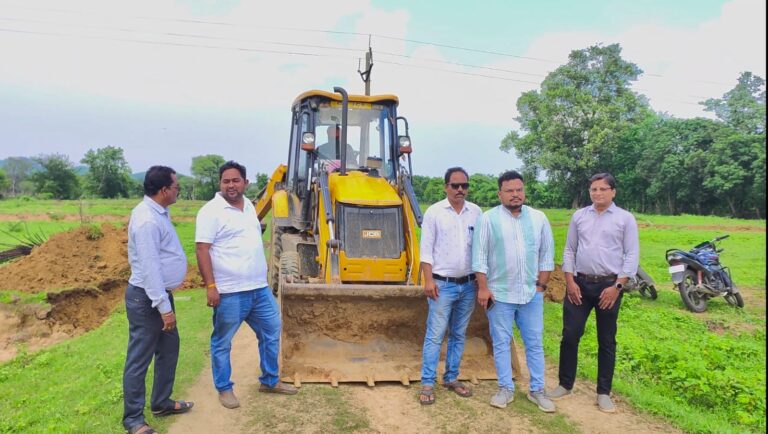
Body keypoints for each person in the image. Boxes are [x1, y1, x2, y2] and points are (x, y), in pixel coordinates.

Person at [195, 160, 298, 410]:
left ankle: (270, 380)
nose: (231, 185)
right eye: (226, 181)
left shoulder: (250, 208)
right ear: (220, 184)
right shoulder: (210, 211)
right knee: (222, 341)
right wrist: (211, 286)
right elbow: (202, 249)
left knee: (272, 330)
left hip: (258, 289)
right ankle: (224, 388)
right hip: (230, 292)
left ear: (245, 183)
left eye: (235, 180)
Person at [549, 172, 639, 413]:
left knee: (606, 340)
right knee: (570, 335)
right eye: (593, 190)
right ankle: (565, 384)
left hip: (609, 287)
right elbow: (569, 250)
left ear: (613, 192)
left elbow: (631, 255)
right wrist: (570, 281)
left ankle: (603, 393)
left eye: (602, 189)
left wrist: (617, 287)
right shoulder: (580, 216)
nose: (597, 193)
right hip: (579, 284)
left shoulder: (624, 219)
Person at [472, 170, 556, 412]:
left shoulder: (539, 218)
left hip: (531, 295)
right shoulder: (488, 219)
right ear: (500, 194)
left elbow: (547, 256)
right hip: (500, 295)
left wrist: (540, 287)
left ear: (524, 191)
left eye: (519, 190)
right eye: (509, 191)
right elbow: (479, 257)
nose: (515, 194)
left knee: (534, 343)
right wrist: (484, 288)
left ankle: (537, 390)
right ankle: (505, 388)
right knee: (501, 342)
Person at [123, 166, 193, 434]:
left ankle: (161, 402)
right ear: (164, 190)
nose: (178, 191)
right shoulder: (146, 220)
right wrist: (164, 308)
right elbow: (150, 269)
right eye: (176, 187)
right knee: (139, 359)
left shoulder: (158, 213)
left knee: (169, 348)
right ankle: (133, 420)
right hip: (148, 299)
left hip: (160, 295)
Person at [418, 167, 482, 405]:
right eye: (455, 185)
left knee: (458, 333)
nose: (459, 190)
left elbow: (481, 249)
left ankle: (452, 377)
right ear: (446, 187)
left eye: (464, 186)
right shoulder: (434, 212)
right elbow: (426, 250)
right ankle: (427, 381)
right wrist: (428, 280)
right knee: (435, 335)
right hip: (441, 285)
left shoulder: (476, 212)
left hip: (467, 284)